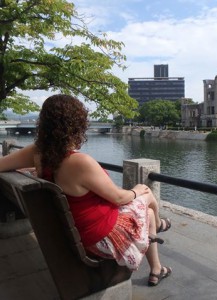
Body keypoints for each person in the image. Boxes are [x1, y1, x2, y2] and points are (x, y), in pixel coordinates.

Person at [0, 94, 172, 286]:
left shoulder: (38, 152)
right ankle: (158, 225)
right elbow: (118, 197)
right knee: (147, 194)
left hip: (69, 231)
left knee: (147, 212)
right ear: (78, 123)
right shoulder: (80, 162)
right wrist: (136, 190)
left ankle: (156, 267)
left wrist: (31, 171)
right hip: (98, 239)